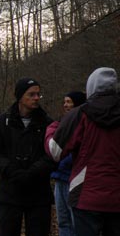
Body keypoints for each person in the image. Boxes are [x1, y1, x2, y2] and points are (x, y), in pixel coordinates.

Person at [45, 67, 120, 236]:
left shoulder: (79, 114)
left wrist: (52, 129)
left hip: (86, 195)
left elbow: (55, 151)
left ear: (90, 88)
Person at [0, 77, 56, 236]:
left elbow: (53, 154)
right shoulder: (2, 122)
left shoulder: (47, 123)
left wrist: (33, 171)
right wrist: (11, 170)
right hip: (10, 193)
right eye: (31, 94)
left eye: (38, 94)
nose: (36, 98)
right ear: (20, 97)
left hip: (39, 194)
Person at [46, 91, 86, 236]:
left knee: (76, 222)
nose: (65, 105)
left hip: (75, 181)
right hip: (59, 180)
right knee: (63, 221)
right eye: (64, 102)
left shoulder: (84, 124)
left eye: (69, 102)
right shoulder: (62, 123)